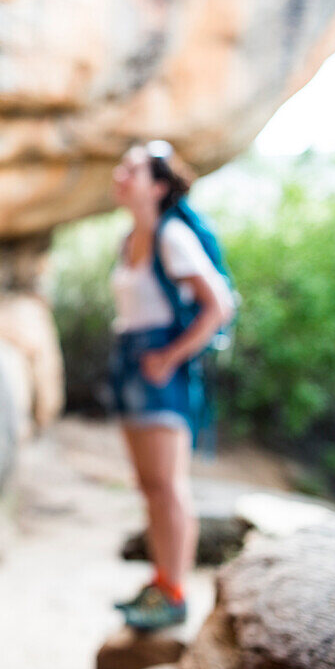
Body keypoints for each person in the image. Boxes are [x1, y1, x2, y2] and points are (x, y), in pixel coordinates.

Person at [107, 141, 236, 631]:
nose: (121, 173)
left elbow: (218, 305)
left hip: (162, 371)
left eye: (132, 168)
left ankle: (175, 592)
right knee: (150, 485)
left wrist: (170, 357)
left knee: (168, 486)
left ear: (158, 186)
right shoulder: (132, 236)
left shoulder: (172, 235)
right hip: (133, 366)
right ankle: (160, 584)